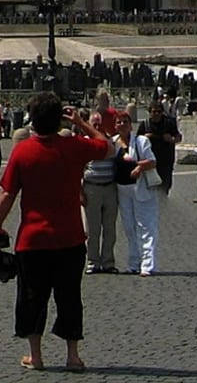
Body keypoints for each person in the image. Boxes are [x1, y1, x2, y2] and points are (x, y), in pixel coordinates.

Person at [0, 92, 113, 373]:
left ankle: (36, 355)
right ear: (59, 118)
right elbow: (106, 147)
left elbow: (8, 194)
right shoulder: (73, 147)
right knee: (69, 297)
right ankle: (73, 356)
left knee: (32, 297)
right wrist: (81, 122)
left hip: (32, 240)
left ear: (32, 120)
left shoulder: (22, 151)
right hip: (69, 237)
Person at [113, 110, 160, 275]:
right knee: (129, 227)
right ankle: (133, 262)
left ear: (130, 124)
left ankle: (147, 264)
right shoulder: (113, 143)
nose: (122, 125)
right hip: (122, 190)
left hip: (140, 188)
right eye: (119, 122)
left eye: (125, 121)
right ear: (115, 125)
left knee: (145, 226)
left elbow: (153, 161)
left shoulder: (141, 141)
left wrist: (140, 167)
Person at [80, 106, 119, 276]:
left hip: (110, 188)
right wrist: (80, 191)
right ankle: (92, 261)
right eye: (94, 124)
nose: (97, 127)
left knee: (110, 228)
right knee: (93, 229)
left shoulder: (111, 141)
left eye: (99, 124)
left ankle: (108, 262)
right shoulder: (84, 143)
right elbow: (78, 168)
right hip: (91, 189)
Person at [138, 100, 181, 193]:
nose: (157, 114)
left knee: (164, 188)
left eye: (159, 112)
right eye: (154, 111)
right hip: (149, 162)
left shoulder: (168, 123)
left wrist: (172, 139)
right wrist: (144, 138)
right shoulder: (145, 125)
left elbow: (178, 137)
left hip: (165, 162)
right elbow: (136, 141)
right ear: (149, 112)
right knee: (148, 189)